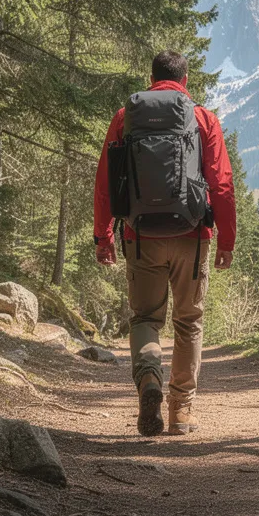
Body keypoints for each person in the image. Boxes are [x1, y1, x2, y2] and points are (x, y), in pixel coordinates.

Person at [93, 50, 236, 437]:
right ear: (185, 80)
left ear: (151, 76)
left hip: (140, 237)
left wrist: (103, 236)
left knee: (145, 320)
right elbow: (221, 184)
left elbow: (106, 182)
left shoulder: (126, 118)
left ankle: (150, 382)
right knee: (188, 322)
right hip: (192, 237)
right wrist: (227, 239)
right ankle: (181, 412)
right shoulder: (202, 118)